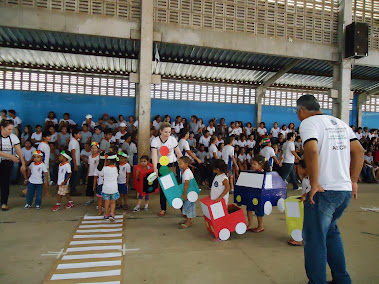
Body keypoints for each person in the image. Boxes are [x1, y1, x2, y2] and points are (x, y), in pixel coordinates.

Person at [296, 94, 364, 284]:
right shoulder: (340, 123)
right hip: (343, 191)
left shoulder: (309, 123)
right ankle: (342, 279)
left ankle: (317, 281)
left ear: (302, 111)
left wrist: (315, 183)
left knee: (314, 239)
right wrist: (354, 181)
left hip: (324, 192)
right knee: (331, 232)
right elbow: (359, 150)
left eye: (297, 113)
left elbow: (311, 150)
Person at [151, 122, 183, 217]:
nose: (167, 134)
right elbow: (154, 156)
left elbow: (178, 152)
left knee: (176, 187)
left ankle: (183, 209)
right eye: (165, 132)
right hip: (161, 166)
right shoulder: (155, 141)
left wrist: (184, 164)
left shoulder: (173, 140)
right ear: (160, 131)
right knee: (163, 188)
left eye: (169, 132)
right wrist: (155, 169)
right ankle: (163, 208)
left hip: (172, 165)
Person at [0, 119, 26, 210]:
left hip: (7, 163)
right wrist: (10, 156)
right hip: (4, 159)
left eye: (12, 129)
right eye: (9, 129)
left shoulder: (13, 137)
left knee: (5, 183)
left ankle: (4, 202)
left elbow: (18, 150)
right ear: (2, 128)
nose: (11, 131)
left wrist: (23, 163)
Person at [287, 159, 310, 246]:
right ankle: (301, 237)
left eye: (299, 168)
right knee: (303, 221)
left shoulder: (312, 179)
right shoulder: (305, 179)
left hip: (313, 204)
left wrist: (304, 196)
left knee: (308, 222)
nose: (298, 170)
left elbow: (311, 191)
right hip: (306, 204)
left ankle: (302, 239)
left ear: (306, 168)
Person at [246, 155, 271, 233]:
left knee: (259, 211)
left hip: (259, 196)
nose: (252, 166)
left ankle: (260, 226)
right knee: (249, 209)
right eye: (252, 164)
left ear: (261, 165)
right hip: (252, 194)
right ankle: (250, 224)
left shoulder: (264, 173)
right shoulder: (253, 172)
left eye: (254, 164)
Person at [210, 159, 230, 242]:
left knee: (221, 218)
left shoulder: (224, 178)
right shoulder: (217, 176)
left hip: (221, 202)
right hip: (216, 202)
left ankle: (222, 235)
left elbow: (227, 188)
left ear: (217, 169)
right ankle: (218, 232)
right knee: (217, 218)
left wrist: (220, 197)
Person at [178, 156, 196, 229]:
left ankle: (188, 222)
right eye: (179, 163)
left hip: (189, 193)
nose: (179, 165)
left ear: (186, 164)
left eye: (181, 163)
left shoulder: (186, 173)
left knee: (189, 207)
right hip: (189, 192)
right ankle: (187, 220)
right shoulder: (186, 171)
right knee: (186, 206)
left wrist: (184, 194)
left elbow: (186, 183)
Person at [102, 152, 120, 221]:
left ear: (108, 161)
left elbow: (101, 175)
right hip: (114, 188)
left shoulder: (105, 168)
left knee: (107, 202)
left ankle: (106, 215)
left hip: (106, 188)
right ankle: (112, 214)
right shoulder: (116, 169)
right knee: (113, 202)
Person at [68, 129, 82, 196]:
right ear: (75, 134)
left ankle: (73, 189)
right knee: (74, 176)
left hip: (75, 161)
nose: (80, 135)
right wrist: (75, 164)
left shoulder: (75, 141)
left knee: (74, 176)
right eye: (79, 133)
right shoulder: (73, 142)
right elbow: (73, 153)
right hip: (74, 162)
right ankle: (72, 189)